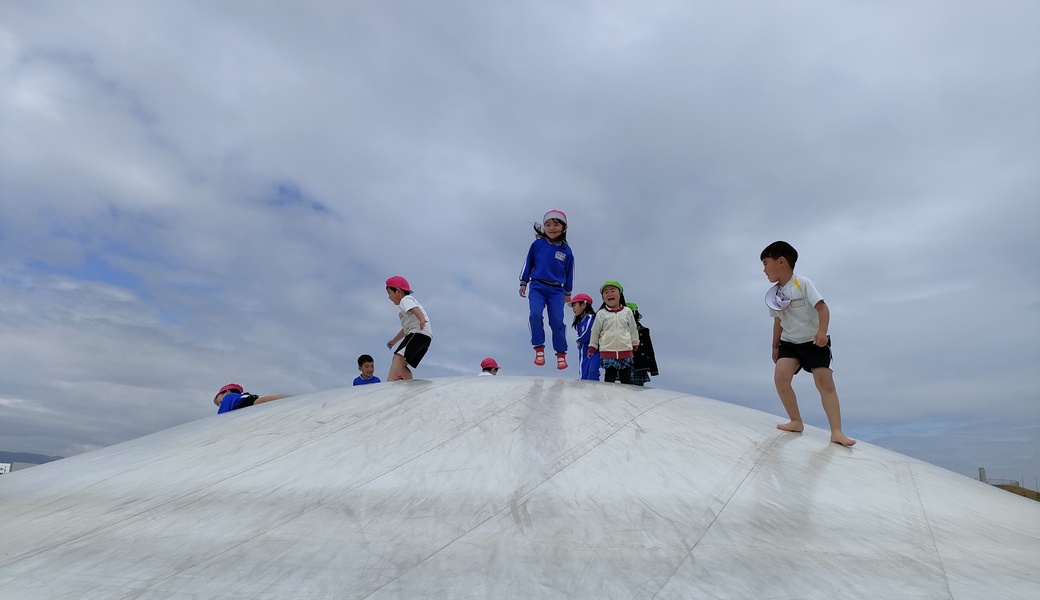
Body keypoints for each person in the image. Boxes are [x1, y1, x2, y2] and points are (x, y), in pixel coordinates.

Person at [761, 241, 855, 446]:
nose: (764, 270)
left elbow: (823, 308)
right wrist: (775, 346)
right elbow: (778, 321)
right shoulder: (774, 295)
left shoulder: (802, 283)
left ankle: (837, 431)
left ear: (781, 262)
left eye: (766, 263)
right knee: (780, 377)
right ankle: (796, 421)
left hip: (814, 341)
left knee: (825, 385)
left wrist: (822, 331)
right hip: (790, 342)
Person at [519, 209, 574, 370]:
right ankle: (539, 348)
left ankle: (561, 353)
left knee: (557, 321)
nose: (551, 228)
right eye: (548, 224)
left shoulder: (567, 251)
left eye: (556, 225)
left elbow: (570, 273)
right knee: (535, 315)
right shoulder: (537, 245)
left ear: (564, 228)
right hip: (537, 286)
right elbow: (527, 263)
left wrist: (568, 293)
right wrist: (523, 282)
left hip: (557, 290)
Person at [588, 281, 639, 384]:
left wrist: (635, 343)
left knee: (626, 381)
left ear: (619, 294)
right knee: (609, 380)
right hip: (608, 351)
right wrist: (593, 346)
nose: (609, 294)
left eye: (612, 291)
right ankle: (609, 399)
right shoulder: (601, 314)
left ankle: (625, 399)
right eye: (605, 292)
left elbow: (633, 329)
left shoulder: (627, 311)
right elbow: (595, 331)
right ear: (603, 297)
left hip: (625, 350)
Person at [385, 275, 433, 381]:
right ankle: (410, 387)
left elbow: (415, 309)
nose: (389, 297)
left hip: (418, 333)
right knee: (402, 364)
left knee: (397, 358)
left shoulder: (405, 300)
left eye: (389, 293)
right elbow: (405, 329)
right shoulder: (404, 309)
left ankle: (388, 385)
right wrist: (394, 341)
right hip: (425, 337)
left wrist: (421, 319)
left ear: (398, 291)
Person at [626, 302, 659, 386]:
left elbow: (649, 349)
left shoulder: (643, 331)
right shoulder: (618, 329)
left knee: (637, 393)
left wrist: (653, 369)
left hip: (639, 365)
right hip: (623, 363)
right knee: (622, 391)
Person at [570, 293, 600, 381]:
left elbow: (589, 332)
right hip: (583, 351)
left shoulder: (590, 317)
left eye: (574, 305)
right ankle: (587, 393)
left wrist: (578, 341)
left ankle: (594, 392)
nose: (573, 308)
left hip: (594, 350)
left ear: (583, 304)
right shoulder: (579, 322)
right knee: (584, 375)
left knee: (592, 372)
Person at [213, 383, 287, 414]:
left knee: (266, 400)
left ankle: (287, 397)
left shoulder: (228, 397)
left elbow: (222, 415)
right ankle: (288, 397)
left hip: (245, 403)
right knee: (267, 399)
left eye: (219, 402)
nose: (220, 405)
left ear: (227, 392)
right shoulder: (238, 396)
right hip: (249, 399)